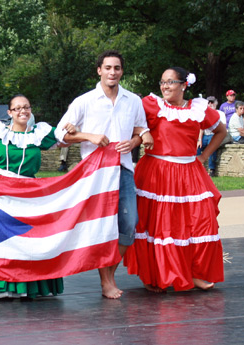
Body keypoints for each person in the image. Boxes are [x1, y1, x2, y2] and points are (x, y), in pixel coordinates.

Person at [55, 50, 153, 299]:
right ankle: (106, 281)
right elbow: (60, 135)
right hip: (95, 175)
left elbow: (140, 128)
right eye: (107, 68)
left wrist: (135, 141)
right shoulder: (84, 101)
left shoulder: (133, 100)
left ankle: (109, 275)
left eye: (117, 68)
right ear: (99, 70)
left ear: (122, 71)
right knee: (102, 229)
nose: (112, 72)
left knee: (128, 227)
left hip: (123, 169)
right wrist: (89, 136)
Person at [123, 67, 227, 292]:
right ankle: (157, 275)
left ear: (183, 85)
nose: (165, 86)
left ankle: (196, 272)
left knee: (202, 221)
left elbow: (221, 131)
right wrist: (143, 134)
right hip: (157, 172)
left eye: (170, 82)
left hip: (189, 172)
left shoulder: (198, 109)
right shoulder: (151, 105)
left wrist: (205, 156)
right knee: (161, 226)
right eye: (162, 82)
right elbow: (132, 125)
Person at [0, 94, 74, 299]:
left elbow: (65, 139)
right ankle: (1, 285)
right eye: (17, 108)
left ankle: (31, 286)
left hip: (29, 193)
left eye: (26, 107)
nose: (22, 111)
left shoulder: (40, 133)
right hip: (1, 192)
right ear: (9, 113)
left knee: (30, 240)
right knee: (4, 239)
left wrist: (89, 136)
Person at [197, 96, 227, 176]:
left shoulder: (220, 113)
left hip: (214, 135)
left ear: (216, 103)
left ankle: (212, 169)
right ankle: (199, 166)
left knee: (212, 143)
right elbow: (201, 128)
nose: (210, 104)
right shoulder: (203, 113)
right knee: (196, 145)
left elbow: (222, 129)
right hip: (205, 136)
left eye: (212, 102)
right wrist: (199, 140)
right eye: (208, 102)